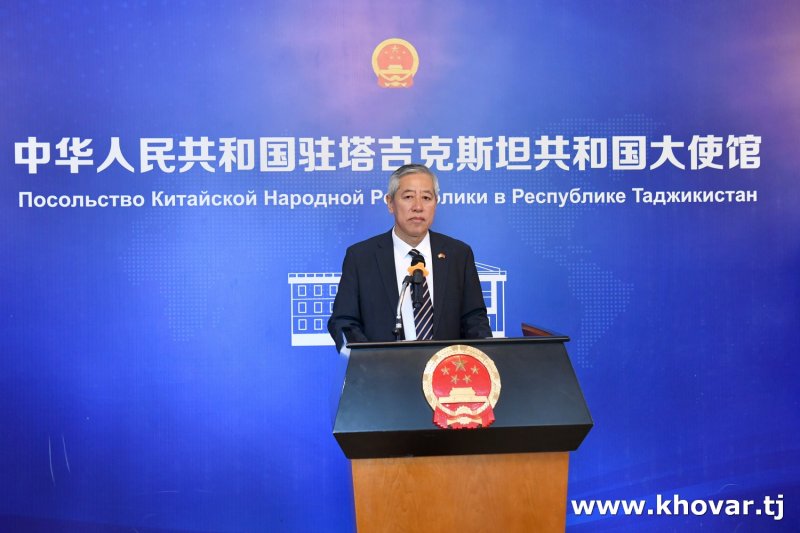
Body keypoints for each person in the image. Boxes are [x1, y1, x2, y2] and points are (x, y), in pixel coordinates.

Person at [328, 163, 492, 352]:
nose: (418, 207)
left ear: (436, 203)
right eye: (408, 197)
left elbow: (475, 320)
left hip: (446, 368)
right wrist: (369, 359)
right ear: (390, 203)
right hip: (383, 369)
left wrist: (485, 357)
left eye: (426, 198)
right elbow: (344, 321)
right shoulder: (361, 257)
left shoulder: (458, 254)